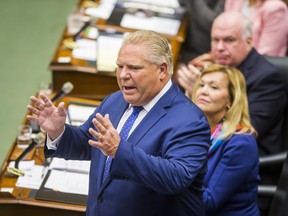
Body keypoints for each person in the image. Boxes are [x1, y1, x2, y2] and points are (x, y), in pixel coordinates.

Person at [27, 30, 211, 216]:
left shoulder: (190, 121)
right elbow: (88, 142)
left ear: (162, 70)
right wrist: (59, 132)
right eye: (120, 66)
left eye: (134, 68)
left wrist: (118, 150)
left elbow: (175, 178)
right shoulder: (115, 100)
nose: (123, 75)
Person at [175, 11, 286, 214]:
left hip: (239, 173)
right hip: (203, 171)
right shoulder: (212, 68)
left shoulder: (267, 78)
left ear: (249, 41)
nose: (219, 47)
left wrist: (194, 96)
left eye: (229, 40)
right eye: (215, 40)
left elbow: (240, 130)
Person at [192, 64, 260, 215]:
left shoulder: (241, 143)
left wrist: (167, 181)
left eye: (214, 87)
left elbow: (208, 202)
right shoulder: (189, 131)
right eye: (201, 85)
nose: (203, 91)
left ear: (231, 100)